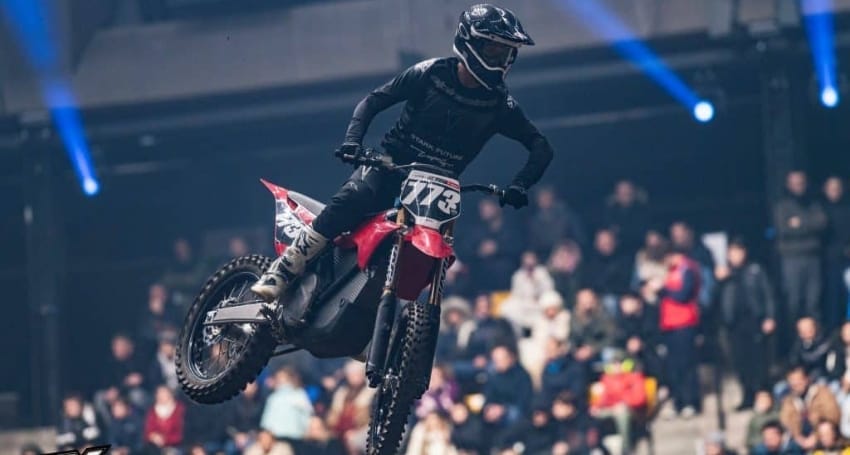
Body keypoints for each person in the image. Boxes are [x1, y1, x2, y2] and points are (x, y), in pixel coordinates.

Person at [251, 4, 552, 300]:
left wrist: (519, 185)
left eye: (508, 52)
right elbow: (373, 101)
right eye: (495, 50)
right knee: (353, 197)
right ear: (469, 42)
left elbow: (541, 147)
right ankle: (287, 267)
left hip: (436, 192)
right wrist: (352, 141)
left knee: (440, 254)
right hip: (389, 166)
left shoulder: (500, 104)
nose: (503, 59)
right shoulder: (431, 72)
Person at [714, 238, 777, 409]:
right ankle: (747, 396)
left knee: (758, 362)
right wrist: (719, 281)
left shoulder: (755, 271)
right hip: (734, 325)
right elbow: (715, 301)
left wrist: (770, 317)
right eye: (732, 252)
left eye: (738, 251)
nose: (736, 256)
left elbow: (767, 294)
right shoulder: (725, 275)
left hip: (754, 322)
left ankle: (763, 396)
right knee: (740, 363)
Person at [774, 170, 828, 322]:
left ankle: (815, 341)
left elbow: (822, 223)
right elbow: (783, 228)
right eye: (795, 183)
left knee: (814, 301)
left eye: (802, 183)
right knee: (794, 302)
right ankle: (796, 341)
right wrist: (809, 224)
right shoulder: (782, 206)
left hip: (813, 258)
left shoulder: (814, 204)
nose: (799, 186)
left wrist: (799, 223)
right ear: (788, 185)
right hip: (792, 259)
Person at [654, 249, 701, 418]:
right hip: (669, 326)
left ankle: (691, 401)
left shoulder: (687, 269)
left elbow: (683, 294)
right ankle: (678, 401)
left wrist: (663, 289)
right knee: (673, 366)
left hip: (685, 323)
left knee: (686, 364)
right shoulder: (670, 272)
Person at [590, 352, 647, 454]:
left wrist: (623, 402)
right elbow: (603, 398)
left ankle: (626, 450)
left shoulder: (635, 377)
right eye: (613, 364)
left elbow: (639, 398)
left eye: (619, 363)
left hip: (632, 412)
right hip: (611, 410)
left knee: (622, 413)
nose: (616, 367)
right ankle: (596, 447)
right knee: (592, 415)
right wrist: (595, 407)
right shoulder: (607, 379)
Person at [463, 198, 525, 292]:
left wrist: (497, 248)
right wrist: (479, 251)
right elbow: (465, 250)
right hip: (481, 282)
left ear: (497, 208)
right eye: (482, 207)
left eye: (486, 206)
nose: (482, 209)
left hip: (506, 279)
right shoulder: (477, 230)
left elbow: (519, 249)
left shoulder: (511, 229)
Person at [780, 366, 841, 450]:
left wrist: (816, 436)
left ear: (807, 379)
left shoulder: (822, 392)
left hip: (822, 435)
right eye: (792, 381)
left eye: (798, 380)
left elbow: (833, 416)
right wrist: (798, 438)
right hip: (799, 439)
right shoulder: (788, 400)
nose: (795, 384)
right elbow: (786, 421)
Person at [95, 333, 149, 424]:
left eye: (119, 345)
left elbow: (146, 380)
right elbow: (107, 382)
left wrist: (137, 380)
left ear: (129, 346)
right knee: (99, 397)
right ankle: (113, 428)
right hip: (119, 394)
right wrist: (112, 391)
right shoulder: (110, 362)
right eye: (114, 346)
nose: (115, 348)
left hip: (137, 394)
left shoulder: (140, 358)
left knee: (137, 395)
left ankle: (142, 428)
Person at [325, 361, 374, 454]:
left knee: (351, 439)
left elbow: (367, 420)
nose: (354, 377)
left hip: (362, 430)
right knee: (331, 441)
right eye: (351, 374)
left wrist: (354, 431)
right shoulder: (342, 393)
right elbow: (333, 415)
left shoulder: (370, 393)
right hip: (340, 429)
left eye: (357, 374)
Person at [500, 251, 555, 332]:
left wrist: (536, 282)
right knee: (506, 307)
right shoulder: (518, 276)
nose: (529, 266)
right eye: (527, 264)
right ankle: (517, 333)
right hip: (524, 305)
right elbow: (515, 295)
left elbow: (549, 291)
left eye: (531, 264)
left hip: (539, 305)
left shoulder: (542, 273)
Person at [482, 345, 534, 430]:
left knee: (514, 415)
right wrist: (489, 408)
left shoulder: (522, 375)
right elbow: (488, 395)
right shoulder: (493, 376)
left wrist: (503, 409)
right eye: (495, 360)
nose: (497, 363)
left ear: (510, 358)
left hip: (515, 410)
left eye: (500, 360)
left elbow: (524, 401)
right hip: (497, 410)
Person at [528, 185, 587, 257]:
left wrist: (568, 248)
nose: (544, 200)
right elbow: (534, 246)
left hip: (569, 256)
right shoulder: (535, 222)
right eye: (541, 197)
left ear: (553, 197)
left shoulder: (567, 215)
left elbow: (580, 238)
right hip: (546, 258)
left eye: (547, 197)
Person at [583, 228, 633, 314]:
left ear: (615, 242)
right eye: (602, 241)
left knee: (610, 302)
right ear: (596, 243)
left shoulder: (623, 261)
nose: (605, 244)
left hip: (617, 297)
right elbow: (587, 283)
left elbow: (623, 284)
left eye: (608, 241)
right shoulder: (590, 262)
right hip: (594, 295)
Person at [614, 292, 661, 379]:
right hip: (629, 349)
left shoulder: (651, 314)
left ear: (638, 302)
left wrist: (641, 344)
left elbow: (656, 335)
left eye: (628, 303)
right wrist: (628, 343)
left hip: (650, 348)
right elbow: (618, 337)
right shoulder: (622, 318)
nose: (624, 307)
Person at [824, 177, 850, 331]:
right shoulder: (821, 209)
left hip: (847, 260)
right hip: (830, 262)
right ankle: (834, 333)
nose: (835, 192)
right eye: (831, 188)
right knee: (832, 300)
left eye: (837, 188)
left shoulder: (848, 209)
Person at [260, 366, 313, 442]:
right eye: (278, 378)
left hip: (296, 437)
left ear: (290, 379)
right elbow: (267, 421)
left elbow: (307, 415)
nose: (280, 380)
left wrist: (306, 431)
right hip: (277, 438)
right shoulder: (273, 398)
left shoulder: (299, 394)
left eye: (282, 378)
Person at [788, 317, 844, 383]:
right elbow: (794, 363)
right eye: (802, 329)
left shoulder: (827, 344)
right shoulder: (797, 346)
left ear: (815, 328)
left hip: (825, 378)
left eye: (808, 328)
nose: (805, 331)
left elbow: (832, 368)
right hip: (803, 380)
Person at [603, 179, 650, 256]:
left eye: (627, 191)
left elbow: (641, 232)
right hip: (615, 252)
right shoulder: (610, 211)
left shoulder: (642, 210)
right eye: (621, 192)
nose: (624, 194)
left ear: (633, 192)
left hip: (639, 249)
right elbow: (608, 230)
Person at [569, 289, 615, 367]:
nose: (587, 306)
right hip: (582, 352)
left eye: (589, 302)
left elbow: (611, 337)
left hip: (600, 349)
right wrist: (577, 351)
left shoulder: (604, 314)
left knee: (609, 354)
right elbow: (572, 338)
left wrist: (592, 349)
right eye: (583, 303)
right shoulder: (575, 317)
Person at [143, 385, 185, 452]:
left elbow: (182, 432)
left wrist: (165, 440)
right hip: (156, 447)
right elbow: (148, 431)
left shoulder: (180, 409)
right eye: (159, 393)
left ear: (170, 394)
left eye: (164, 393)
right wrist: (153, 437)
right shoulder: (152, 411)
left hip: (177, 446)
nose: (161, 396)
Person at [547, 240, 584, 310]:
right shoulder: (546, 275)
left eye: (570, 257)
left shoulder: (578, 277)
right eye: (562, 257)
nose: (566, 261)